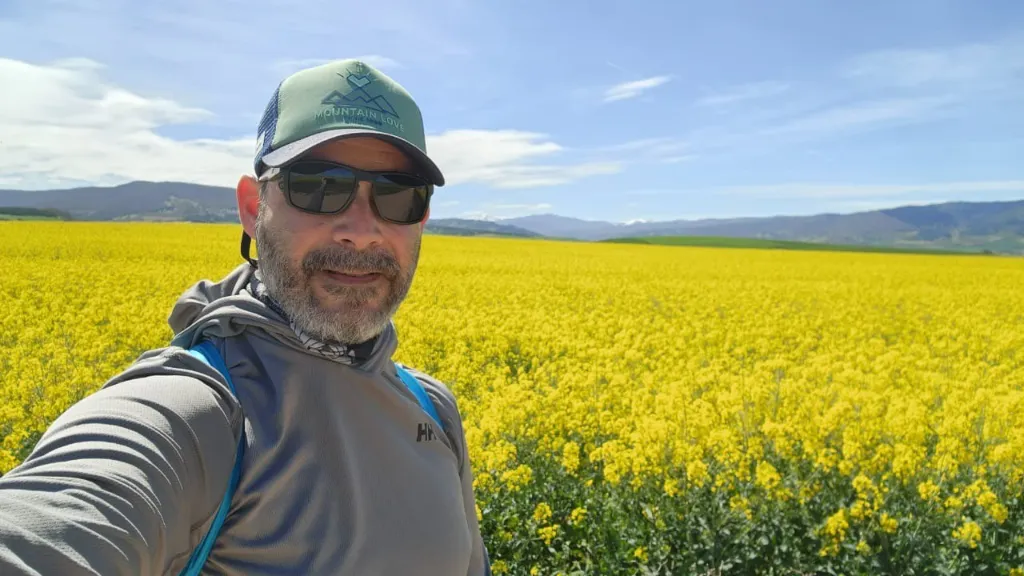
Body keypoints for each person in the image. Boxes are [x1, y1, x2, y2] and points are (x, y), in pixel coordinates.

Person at [0, 58, 490, 575]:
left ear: (423, 219)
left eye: (398, 195)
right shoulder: (199, 412)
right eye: (319, 187)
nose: (363, 230)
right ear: (254, 208)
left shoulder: (435, 410)